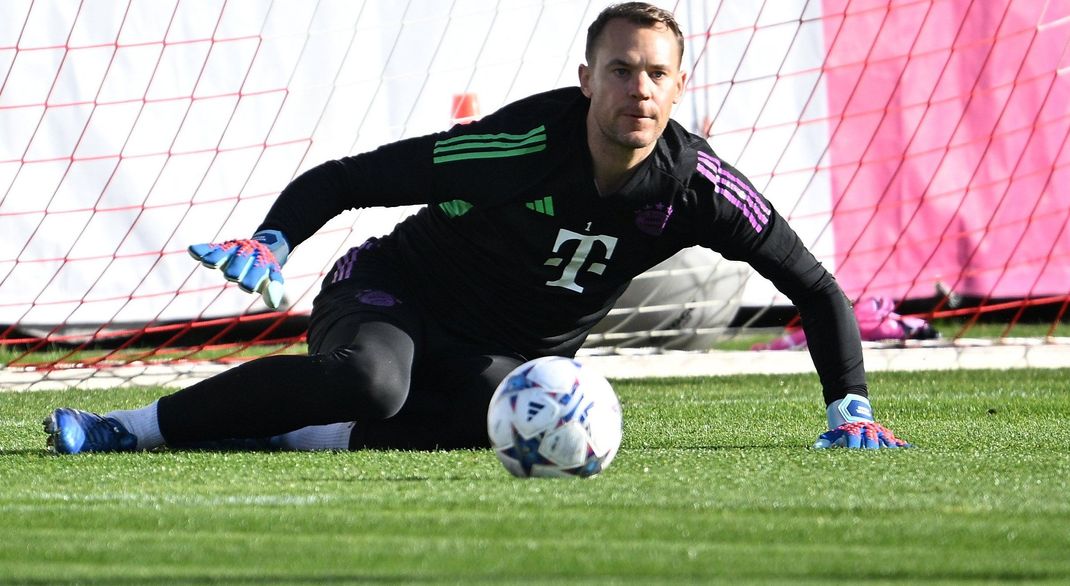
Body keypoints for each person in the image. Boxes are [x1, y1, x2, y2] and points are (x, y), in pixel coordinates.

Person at [43, 2, 909, 455]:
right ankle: (131, 425)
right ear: (586, 81)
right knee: (372, 382)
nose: (636, 88)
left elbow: (817, 287)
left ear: (678, 90)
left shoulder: (701, 188)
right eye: (619, 70)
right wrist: (275, 239)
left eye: (655, 74)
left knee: (518, 413)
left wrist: (850, 407)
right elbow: (355, 178)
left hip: (505, 353)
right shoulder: (523, 143)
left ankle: (295, 428)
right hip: (393, 295)